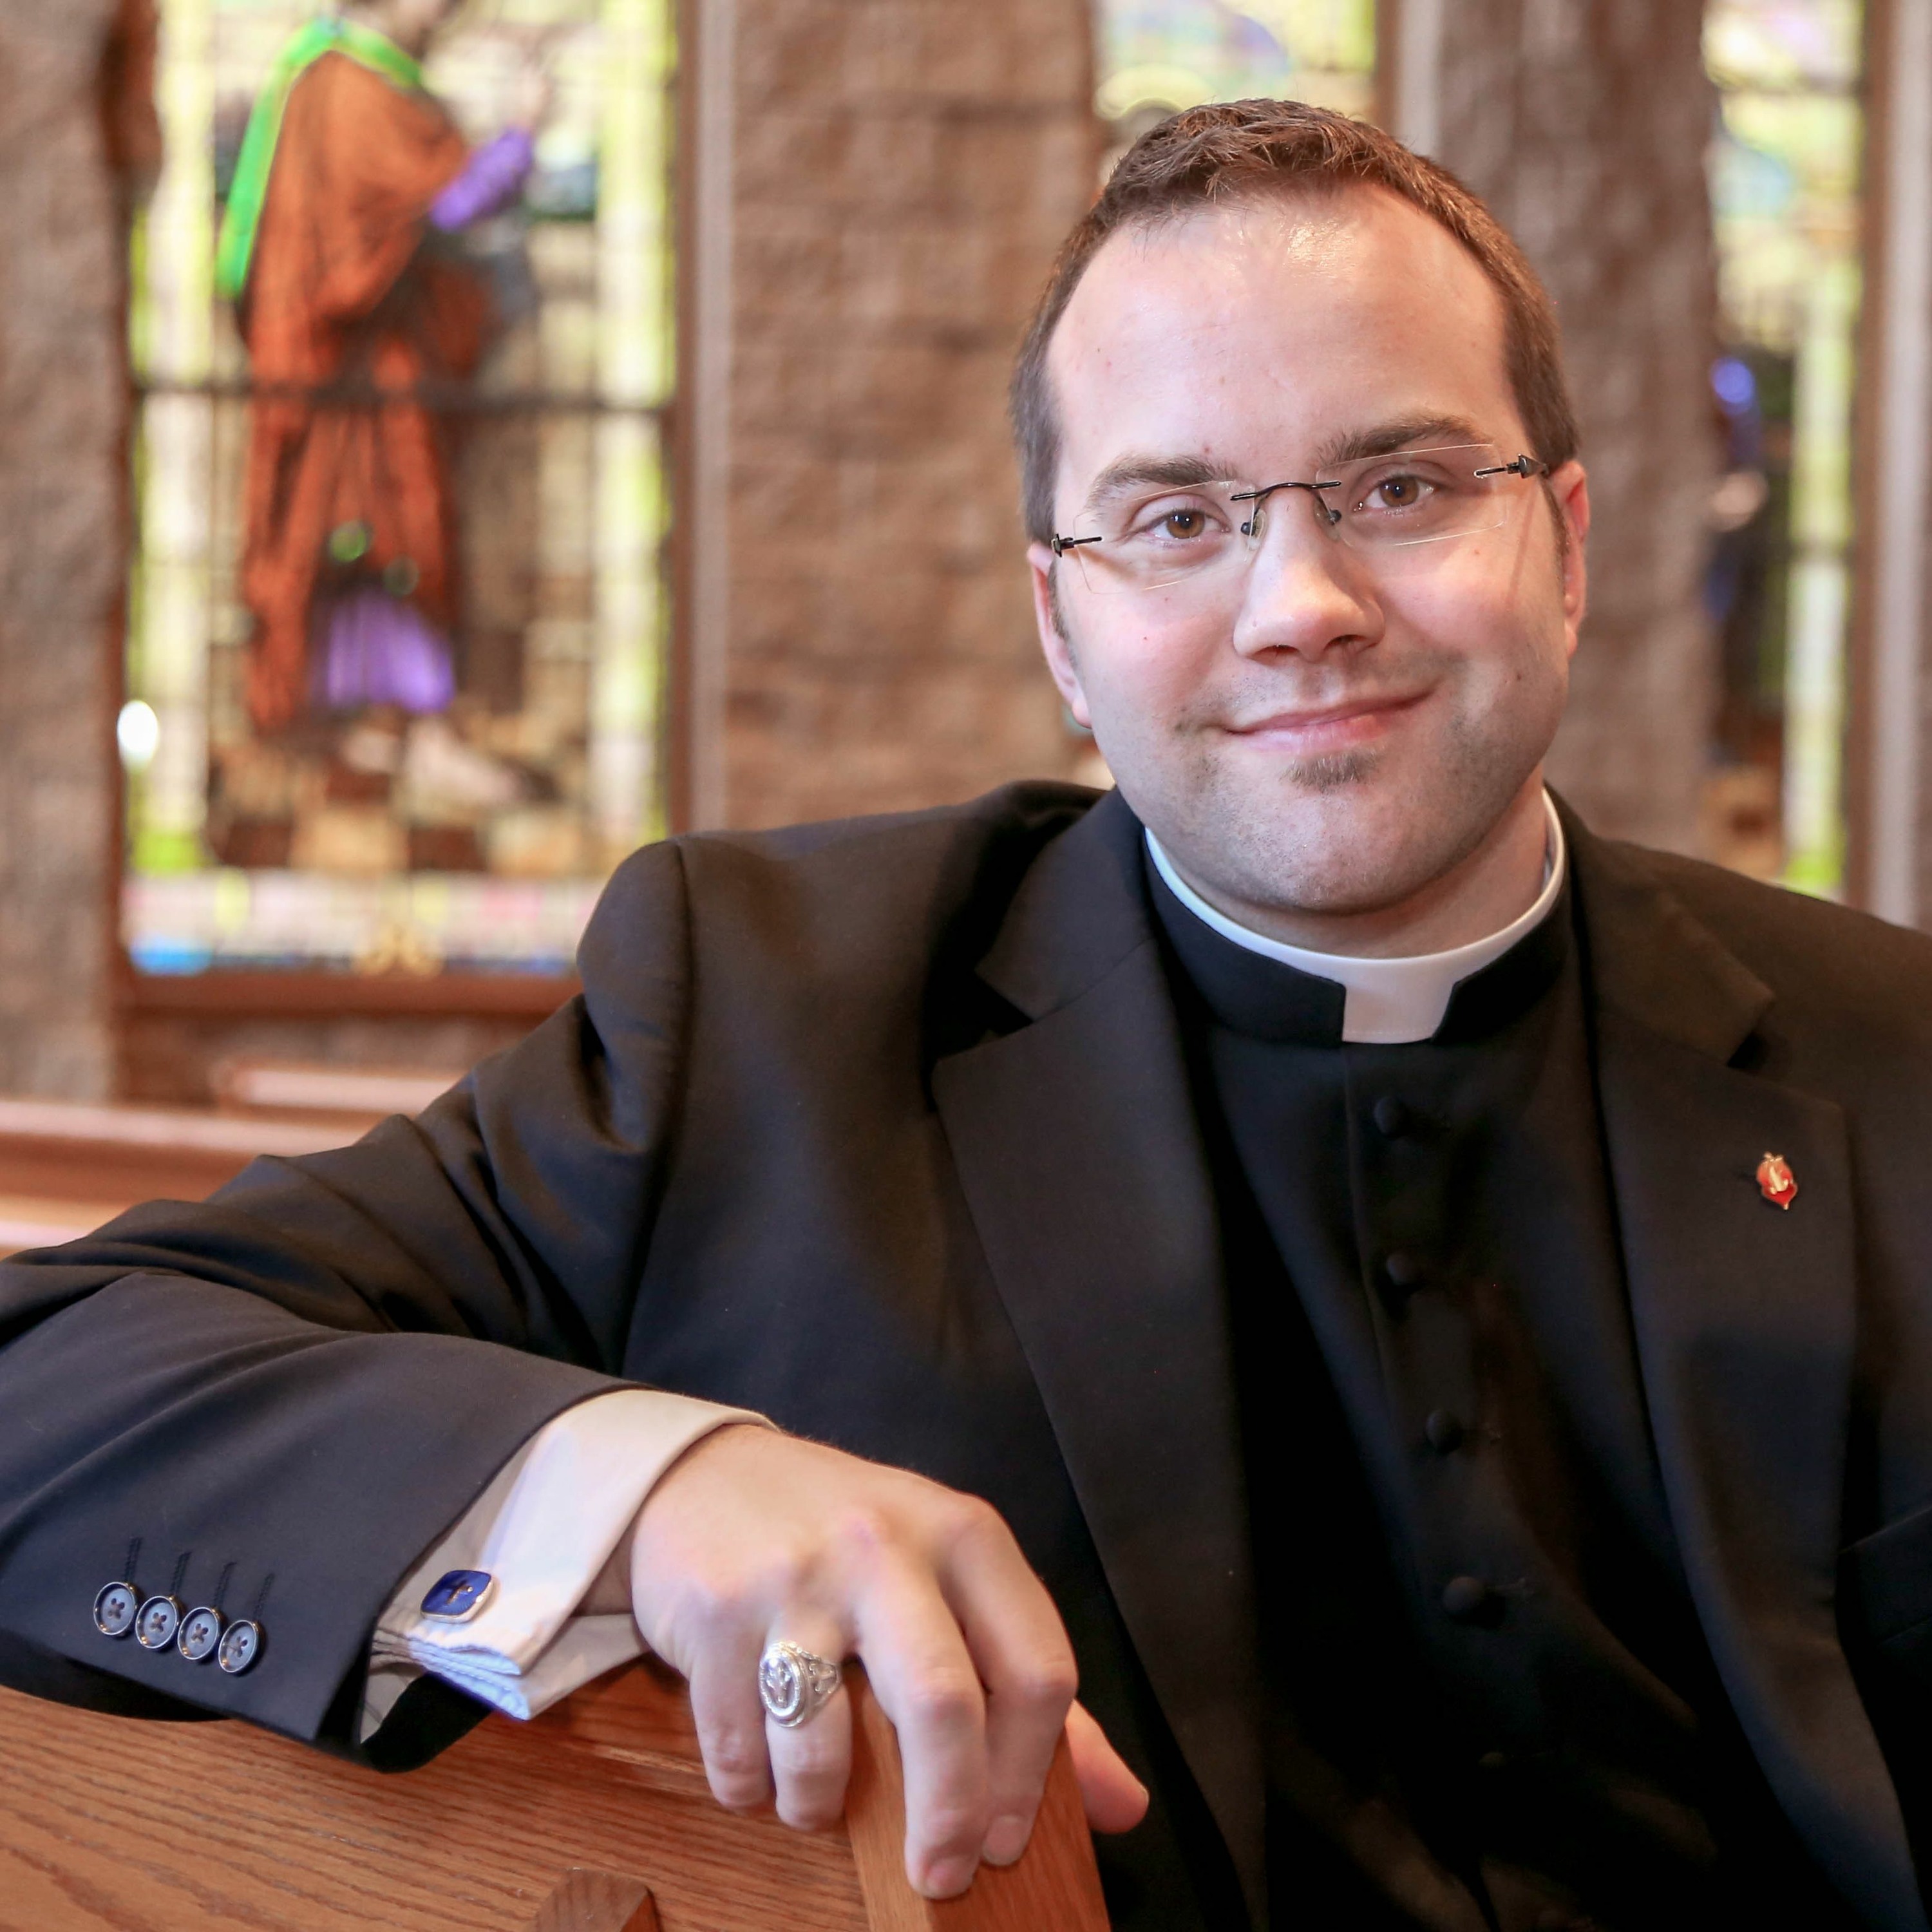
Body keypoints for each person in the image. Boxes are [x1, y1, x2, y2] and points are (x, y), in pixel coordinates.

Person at [6, 100, 1932, 1931]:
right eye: (1174, 518)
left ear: (1568, 546)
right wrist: (645, 1485)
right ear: (1057, 631)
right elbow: (53, 1376)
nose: (1302, 601)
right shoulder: (759, 1021)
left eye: (1402, 487)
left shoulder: (1893, 1054)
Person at [220, 0, 548, 731]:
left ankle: (401, 726)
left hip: (390, 368)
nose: (444, 15)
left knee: (402, 544)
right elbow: (437, 213)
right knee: (361, 535)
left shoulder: (369, 84)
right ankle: (349, 730)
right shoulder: (347, 90)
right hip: (347, 377)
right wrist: (518, 139)